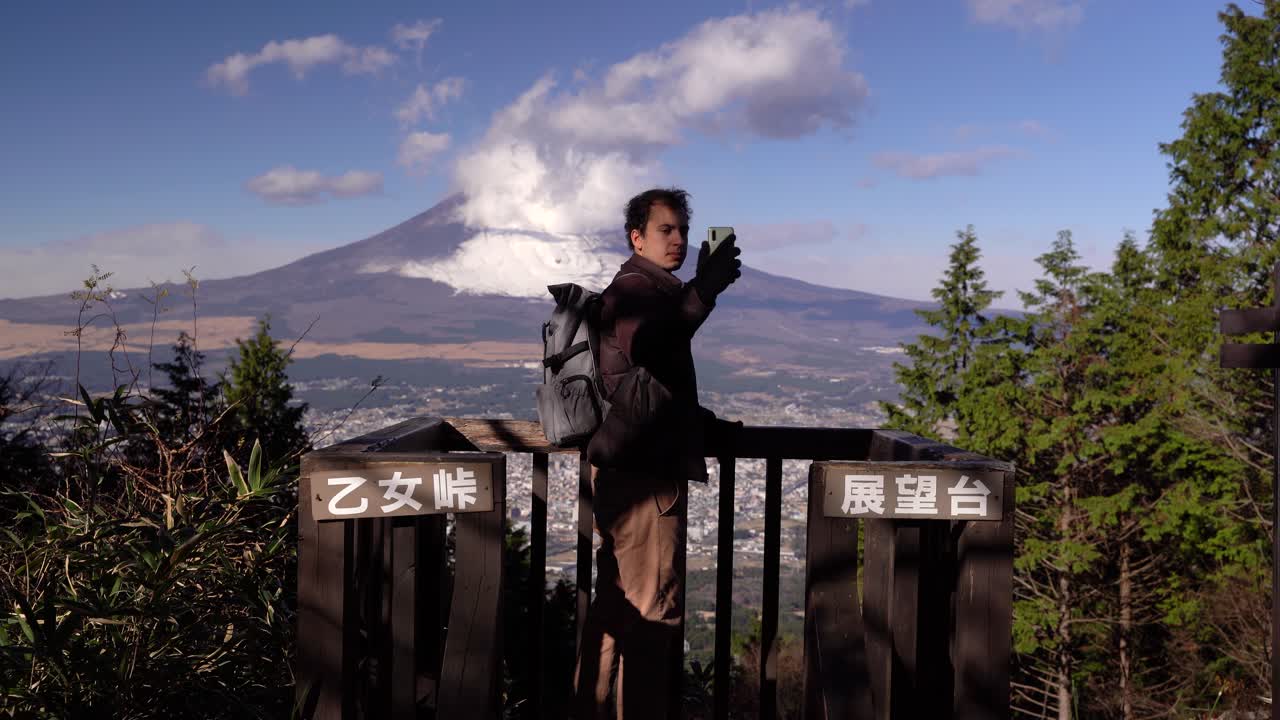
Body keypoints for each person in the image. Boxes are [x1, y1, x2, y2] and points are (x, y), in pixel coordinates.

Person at [573, 187, 743, 719]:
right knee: (653, 618)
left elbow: (647, 390)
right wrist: (704, 292)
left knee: (616, 612)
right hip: (645, 484)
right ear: (637, 237)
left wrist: (707, 426)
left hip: (624, 477)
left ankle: (586, 709)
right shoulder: (634, 291)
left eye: (684, 232)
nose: (679, 241)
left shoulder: (645, 291)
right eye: (665, 230)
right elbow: (649, 346)